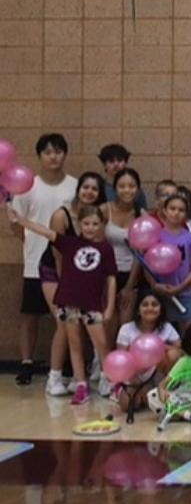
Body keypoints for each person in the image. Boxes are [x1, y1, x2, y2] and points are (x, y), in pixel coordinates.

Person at [8, 201, 116, 404]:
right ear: (79, 225)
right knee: (74, 344)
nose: (90, 228)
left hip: (92, 304)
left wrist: (109, 307)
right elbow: (45, 231)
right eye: (86, 223)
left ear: (101, 225)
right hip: (69, 302)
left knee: (101, 343)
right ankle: (81, 385)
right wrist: (21, 220)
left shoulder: (106, 249)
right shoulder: (69, 243)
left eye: (95, 224)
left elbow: (111, 279)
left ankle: (111, 381)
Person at [10, 133, 76, 386]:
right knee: (30, 314)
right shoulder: (27, 186)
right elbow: (16, 224)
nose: (53, 157)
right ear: (39, 156)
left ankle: (67, 363)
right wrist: (31, 246)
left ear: (65, 155)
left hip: (67, 265)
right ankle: (26, 362)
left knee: (68, 315)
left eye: (58, 151)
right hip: (35, 262)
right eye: (47, 152)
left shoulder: (74, 186)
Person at [37, 173, 104, 393]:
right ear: (78, 189)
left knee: (81, 325)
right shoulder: (62, 215)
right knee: (63, 323)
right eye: (86, 187)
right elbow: (58, 255)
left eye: (94, 189)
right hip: (55, 272)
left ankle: (78, 377)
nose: (89, 192)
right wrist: (68, 287)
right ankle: (54, 377)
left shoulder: (96, 216)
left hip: (80, 275)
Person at [113, 289, 182, 412]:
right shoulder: (126, 329)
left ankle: (164, 390)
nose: (150, 308)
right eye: (145, 305)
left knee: (173, 354)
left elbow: (180, 352)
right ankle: (144, 394)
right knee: (128, 405)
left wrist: (159, 347)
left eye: (154, 305)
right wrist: (135, 382)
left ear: (160, 309)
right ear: (138, 310)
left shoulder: (167, 327)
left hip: (158, 376)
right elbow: (121, 361)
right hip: (134, 376)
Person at [149, 193, 191, 330]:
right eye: (172, 209)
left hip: (185, 294)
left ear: (186, 214)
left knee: (190, 331)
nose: (176, 213)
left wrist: (179, 288)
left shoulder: (190, 238)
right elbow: (147, 265)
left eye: (181, 210)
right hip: (162, 294)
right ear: (164, 211)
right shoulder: (156, 237)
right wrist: (155, 285)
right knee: (163, 332)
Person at [101, 167, 144, 335]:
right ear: (115, 188)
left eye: (132, 186)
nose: (127, 190)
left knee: (124, 327)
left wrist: (129, 286)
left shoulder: (142, 216)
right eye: (122, 186)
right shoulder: (105, 210)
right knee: (108, 324)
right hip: (106, 274)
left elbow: (140, 255)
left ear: (138, 189)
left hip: (130, 274)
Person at [96, 143, 147, 209]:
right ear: (104, 164)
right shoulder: (98, 188)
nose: (116, 164)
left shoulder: (135, 189)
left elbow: (143, 212)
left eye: (119, 160)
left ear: (125, 163)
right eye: (111, 161)